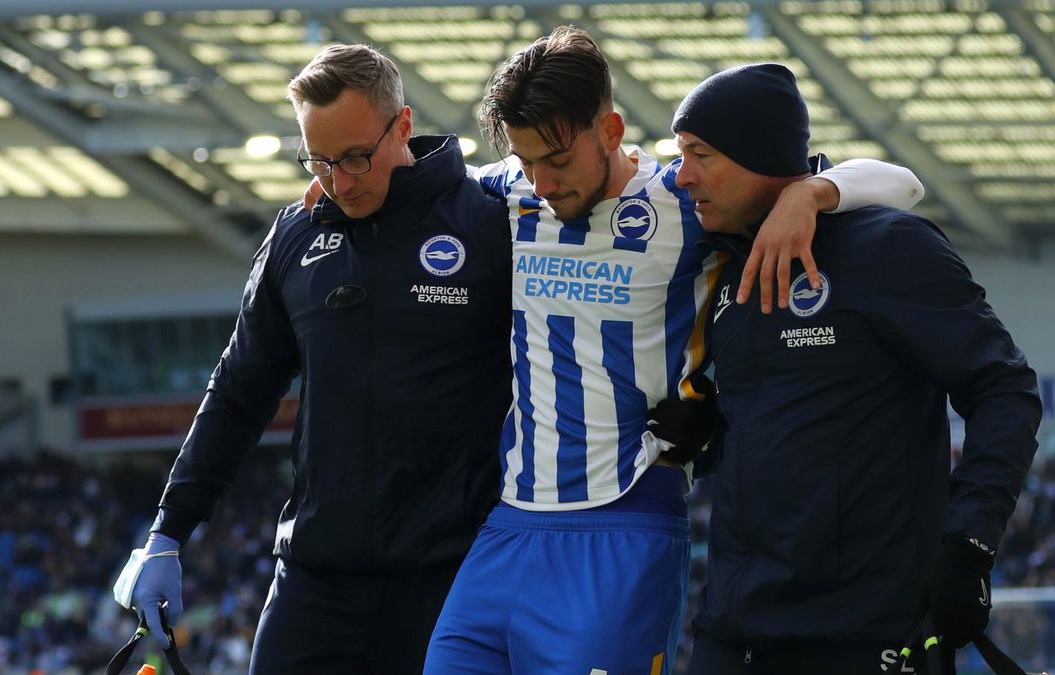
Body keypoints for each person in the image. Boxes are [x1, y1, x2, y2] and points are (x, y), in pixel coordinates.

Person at [422, 28, 927, 675]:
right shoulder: (516, 191)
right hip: (507, 528)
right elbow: (428, 180)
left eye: (556, 160)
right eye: (526, 162)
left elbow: (901, 183)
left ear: (609, 130)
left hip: (623, 525)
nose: (542, 182)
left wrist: (811, 192)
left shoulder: (684, 203)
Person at [111, 44, 516, 674]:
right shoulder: (295, 237)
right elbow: (238, 390)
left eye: (355, 156)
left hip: (450, 580)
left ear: (403, 126)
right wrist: (168, 530)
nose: (340, 181)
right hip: (312, 582)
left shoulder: (491, 225)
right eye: (320, 160)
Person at [666, 63, 1043, 673]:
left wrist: (970, 546)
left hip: (866, 637)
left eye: (699, 155)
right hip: (733, 635)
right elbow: (791, 425)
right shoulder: (723, 266)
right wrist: (707, 436)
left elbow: (1006, 388)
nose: (682, 176)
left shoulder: (889, 248)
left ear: (758, 154)